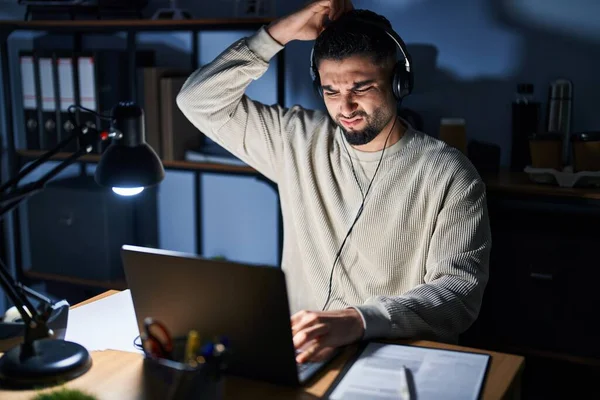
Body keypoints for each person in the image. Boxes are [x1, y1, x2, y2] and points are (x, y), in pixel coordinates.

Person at [177, 0, 490, 364]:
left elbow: (459, 293)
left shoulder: (450, 174)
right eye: (331, 91)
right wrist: (278, 34)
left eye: (361, 87)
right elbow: (197, 100)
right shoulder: (295, 140)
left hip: (393, 358)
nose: (346, 107)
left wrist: (359, 320)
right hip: (301, 355)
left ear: (398, 82)